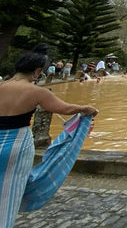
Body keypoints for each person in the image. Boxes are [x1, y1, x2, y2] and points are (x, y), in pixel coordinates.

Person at [0, 46, 98, 228]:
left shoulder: (1, 86)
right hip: (16, 145)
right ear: (37, 71)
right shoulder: (36, 91)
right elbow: (65, 109)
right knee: (9, 192)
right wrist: (85, 108)